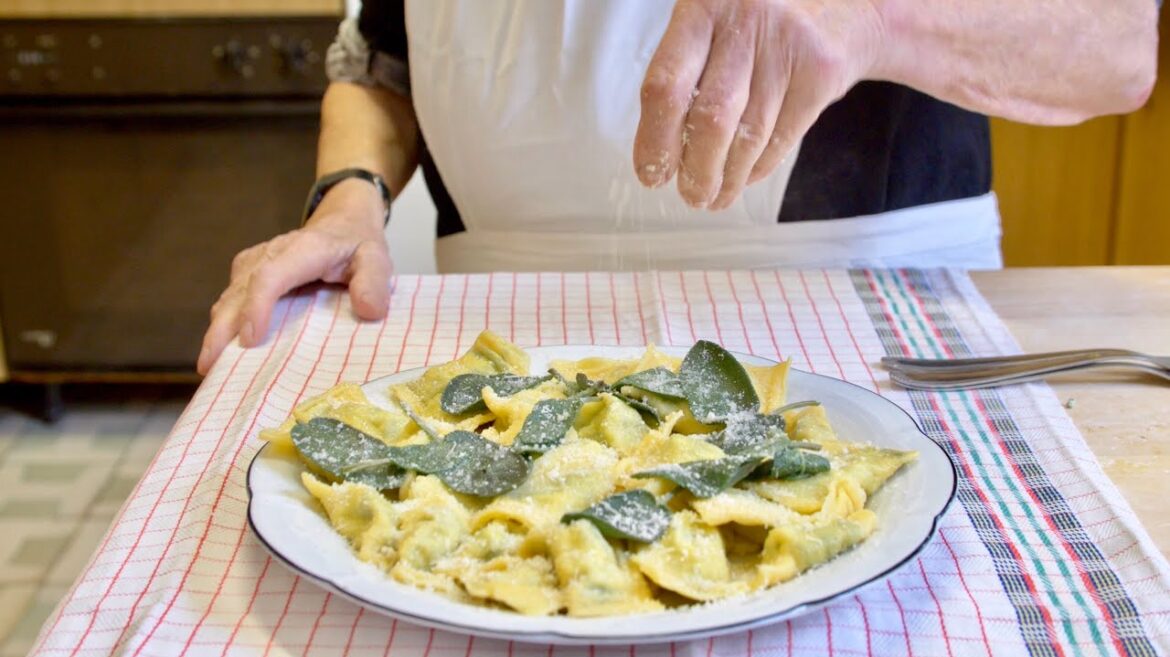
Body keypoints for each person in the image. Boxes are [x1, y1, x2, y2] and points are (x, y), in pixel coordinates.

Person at [197, 0, 1158, 375]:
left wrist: (873, 19)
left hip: (875, 328)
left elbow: (1118, 45)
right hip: (499, 335)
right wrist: (351, 197)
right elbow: (382, 65)